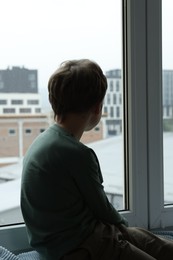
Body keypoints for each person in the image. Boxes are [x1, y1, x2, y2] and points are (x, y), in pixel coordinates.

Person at [21, 59, 173, 260]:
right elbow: (103, 209)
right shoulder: (78, 154)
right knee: (151, 246)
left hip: (59, 242)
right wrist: (123, 230)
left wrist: (124, 232)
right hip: (79, 246)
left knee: (151, 241)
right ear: (97, 108)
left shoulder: (41, 142)